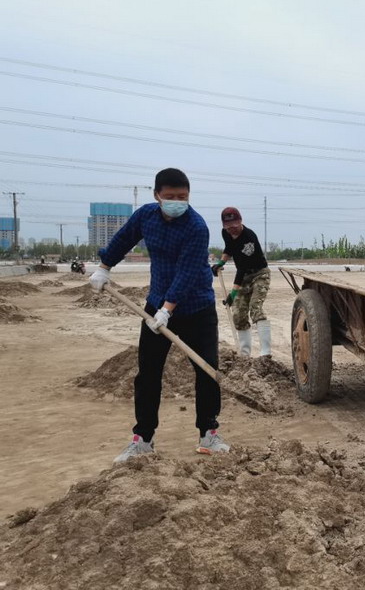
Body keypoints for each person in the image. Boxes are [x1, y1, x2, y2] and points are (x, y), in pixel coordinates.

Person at [89, 168, 229, 462]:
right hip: (156, 305)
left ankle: (208, 435)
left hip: (197, 308)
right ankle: (143, 439)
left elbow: (187, 273)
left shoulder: (196, 227)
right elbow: (123, 239)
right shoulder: (146, 216)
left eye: (183, 197)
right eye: (170, 196)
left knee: (206, 371)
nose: (177, 202)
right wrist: (104, 267)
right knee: (148, 374)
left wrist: (168, 309)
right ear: (157, 196)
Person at [211, 207, 271, 358]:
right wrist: (220, 263)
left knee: (255, 308)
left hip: (259, 274)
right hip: (244, 277)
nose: (232, 229)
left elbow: (242, 268)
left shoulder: (248, 237)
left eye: (234, 226)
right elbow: (229, 248)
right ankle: (245, 356)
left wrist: (233, 294)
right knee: (238, 314)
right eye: (228, 227)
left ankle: (266, 354)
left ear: (240, 221)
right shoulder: (226, 233)